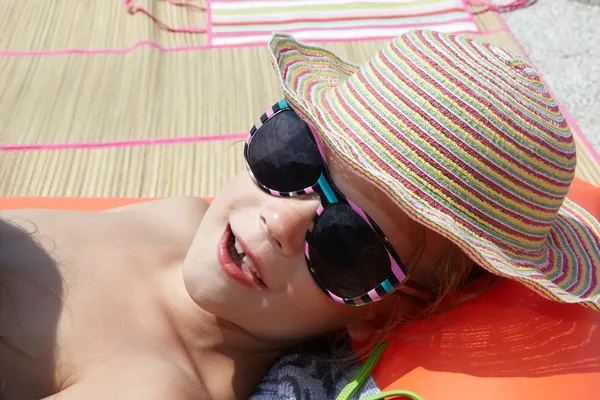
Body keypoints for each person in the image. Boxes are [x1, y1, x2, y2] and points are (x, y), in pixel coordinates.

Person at [1, 29, 599, 400]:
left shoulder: (155, 386)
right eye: (289, 156)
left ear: (383, 316)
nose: (280, 222)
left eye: (347, 244)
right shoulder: (182, 219)